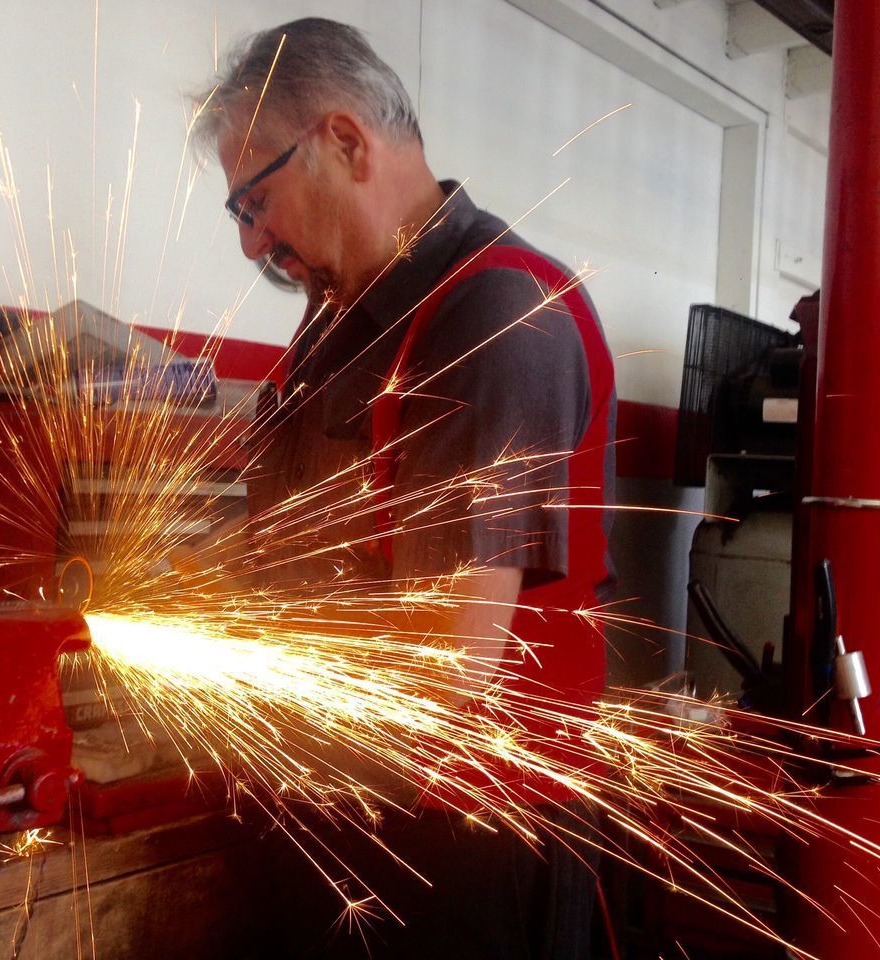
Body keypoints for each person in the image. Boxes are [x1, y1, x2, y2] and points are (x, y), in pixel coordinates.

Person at [192, 17, 616, 959]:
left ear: (345, 142)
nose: (253, 244)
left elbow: (445, 666)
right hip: (337, 814)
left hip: (463, 851)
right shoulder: (335, 322)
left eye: (255, 202)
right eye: (239, 215)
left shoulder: (498, 311)